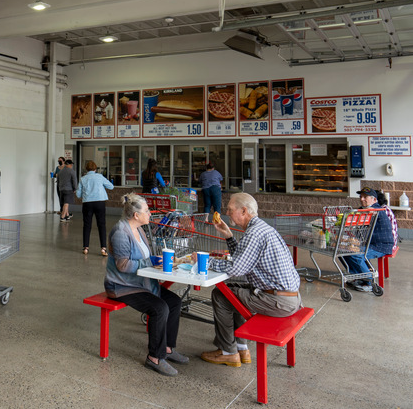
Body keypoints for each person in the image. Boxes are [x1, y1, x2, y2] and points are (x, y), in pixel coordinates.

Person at [199, 192, 302, 368]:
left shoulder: (254, 233)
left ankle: (228, 352)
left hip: (279, 300)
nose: (227, 213)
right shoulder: (262, 228)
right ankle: (241, 348)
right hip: (289, 297)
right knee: (233, 292)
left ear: (244, 210)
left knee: (221, 295)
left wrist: (202, 261)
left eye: (230, 210)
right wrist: (229, 236)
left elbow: (236, 268)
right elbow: (245, 259)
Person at [104, 193, 187, 376]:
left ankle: (167, 348)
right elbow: (123, 265)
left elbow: (144, 257)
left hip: (142, 282)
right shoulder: (120, 232)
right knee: (159, 308)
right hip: (122, 286)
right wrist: (150, 263)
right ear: (136, 215)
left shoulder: (140, 229)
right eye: (147, 210)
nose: (150, 214)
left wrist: (155, 261)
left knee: (174, 302)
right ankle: (154, 358)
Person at [340, 187, 396, 292]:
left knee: (355, 254)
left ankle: (369, 281)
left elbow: (369, 213)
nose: (362, 199)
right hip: (371, 244)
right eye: (361, 196)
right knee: (342, 251)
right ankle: (358, 276)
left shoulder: (375, 209)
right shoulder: (365, 209)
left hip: (381, 246)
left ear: (374, 200)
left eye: (365, 197)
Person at [76, 160, 114, 256]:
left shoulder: (83, 179)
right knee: (101, 225)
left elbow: (78, 194)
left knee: (87, 225)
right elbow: (111, 186)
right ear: (95, 169)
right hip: (100, 202)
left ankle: (85, 248)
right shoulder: (100, 177)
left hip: (87, 203)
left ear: (86, 169)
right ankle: (103, 249)